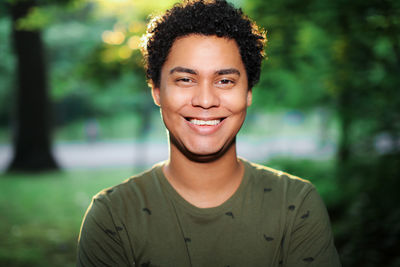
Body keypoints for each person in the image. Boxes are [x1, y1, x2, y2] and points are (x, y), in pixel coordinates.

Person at [77, 0, 341, 266]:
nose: (205, 100)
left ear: (248, 93)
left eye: (225, 81)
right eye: (185, 79)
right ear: (156, 90)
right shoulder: (112, 215)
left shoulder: (295, 204)